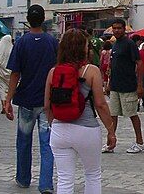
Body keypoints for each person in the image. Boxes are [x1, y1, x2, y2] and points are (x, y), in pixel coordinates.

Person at [45, 29, 116, 194]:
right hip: (87, 129)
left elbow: (47, 105)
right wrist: (110, 130)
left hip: (59, 129)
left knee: (64, 179)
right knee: (92, 174)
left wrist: (52, 125)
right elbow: (100, 104)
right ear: (83, 48)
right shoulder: (91, 71)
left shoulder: (53, 72)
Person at [4, 5, 58, 193]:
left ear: (28, 19)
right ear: (43, 20)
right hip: (47, 101)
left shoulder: (21, 42)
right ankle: (46, 184)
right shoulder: (52, 42)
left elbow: (15, 74)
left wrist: (8, 99)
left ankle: (23, 178)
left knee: (24, 141)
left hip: (26, 99)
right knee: (47, 143)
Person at [104, 18, 144, 153]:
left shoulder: (129, 44)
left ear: (124, 29)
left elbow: (139, 63)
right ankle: (110, 142)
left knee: (132, 114)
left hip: (128, 86)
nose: (116, 30)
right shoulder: (114, 45)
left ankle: (140, 142)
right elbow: (112, 66)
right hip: (115, 86)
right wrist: (109, 84)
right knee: (113, 115)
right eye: (114, 28)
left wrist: (140, 85)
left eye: (119, 28)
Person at [0, 34, 14, 113]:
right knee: (9, 88)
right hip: (10, 72)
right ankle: (8, 103)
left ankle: (4, 106)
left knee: (1, 89)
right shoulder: (12, 49)